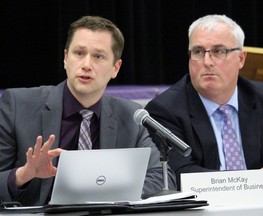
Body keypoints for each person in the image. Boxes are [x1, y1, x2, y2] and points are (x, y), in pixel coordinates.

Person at [0, 16, 176, 206]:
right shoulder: (18, 106)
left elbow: (163, 178)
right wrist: (22, 175)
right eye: (79, 53)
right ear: (66, 58)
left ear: (115, 68)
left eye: (98, 56)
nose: (86, 65)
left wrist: (103, 191)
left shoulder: (130, 115)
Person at [145, 14, 263, 190]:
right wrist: (257, 181)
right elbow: (180, 175)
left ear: (241, 59)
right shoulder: (165, 110)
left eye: (218, 51)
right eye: (198, 52)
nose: (207, 62)